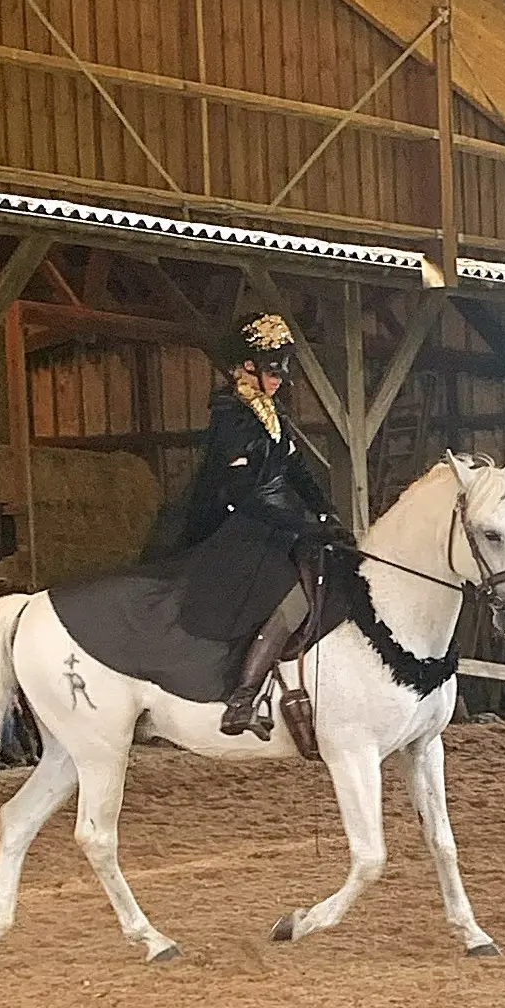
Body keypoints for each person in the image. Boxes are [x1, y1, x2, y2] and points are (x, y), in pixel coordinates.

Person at [174, 312, 347, 739]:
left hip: (279, 516)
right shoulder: (231, 416)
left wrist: (325, 511)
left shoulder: (272, 412)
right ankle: (243, 698)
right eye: (273, 371)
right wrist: (302, 525)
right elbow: (241, 492)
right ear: (248, 366)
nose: (280, 380)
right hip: (242, 522)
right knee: (292, 595)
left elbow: (296, 469)